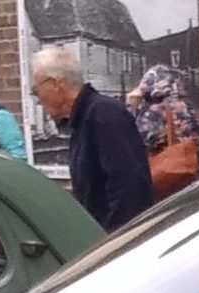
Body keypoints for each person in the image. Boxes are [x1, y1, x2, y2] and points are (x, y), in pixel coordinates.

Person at [29, 42, 151, 231]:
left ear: (55, 84)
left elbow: (129, 187)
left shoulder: (104, 114)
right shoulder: (83, 119)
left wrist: (113, 240)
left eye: (36, 90)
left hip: (121, 239)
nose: (37, 99)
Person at [126, 63, 199, 202]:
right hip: (193, 175)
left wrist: (132, 106)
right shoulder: (190, 107)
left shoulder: (155, 111)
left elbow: (135, 139)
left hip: (167, 178)